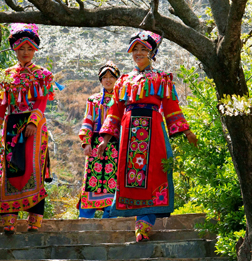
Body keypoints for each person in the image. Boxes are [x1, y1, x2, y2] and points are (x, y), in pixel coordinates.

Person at [98, 30, 198, 242]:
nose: (139, 53)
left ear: (152, 52)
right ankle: (140, 220)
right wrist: (104, 139)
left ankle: (145, 221)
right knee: (131, 176)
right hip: (129, 132)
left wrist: (186, 130)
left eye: (144, 49)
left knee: (154, 174)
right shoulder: (123, 80)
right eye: (136, 49)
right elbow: (114, 111)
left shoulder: (162, 78)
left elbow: (171, 108)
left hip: (153, 130)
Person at [0, 23, 54, 234]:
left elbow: (41, 103)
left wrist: (32, 122)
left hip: (34, 129)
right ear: (14, 49)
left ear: (35, 50)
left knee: (32, 170)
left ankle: (34, 219)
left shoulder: (43, 75)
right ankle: (9, 220)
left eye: (30, 48)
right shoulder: (6, 76)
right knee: (10, 171)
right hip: (12, 127)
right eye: (21, 48)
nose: (25, 52)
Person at [77, 61, 121, 218]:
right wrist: (86, 143)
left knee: (113, 181)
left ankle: (110, 217)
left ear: (117, 79)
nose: (108, 80)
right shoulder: (93, 100)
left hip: (116, 145)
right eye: (105, 77)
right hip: (96, 145)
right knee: (92, 181)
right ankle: (85, 217)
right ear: (100, 80)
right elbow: (88, 121)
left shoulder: (122, 101)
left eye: (112, 77)